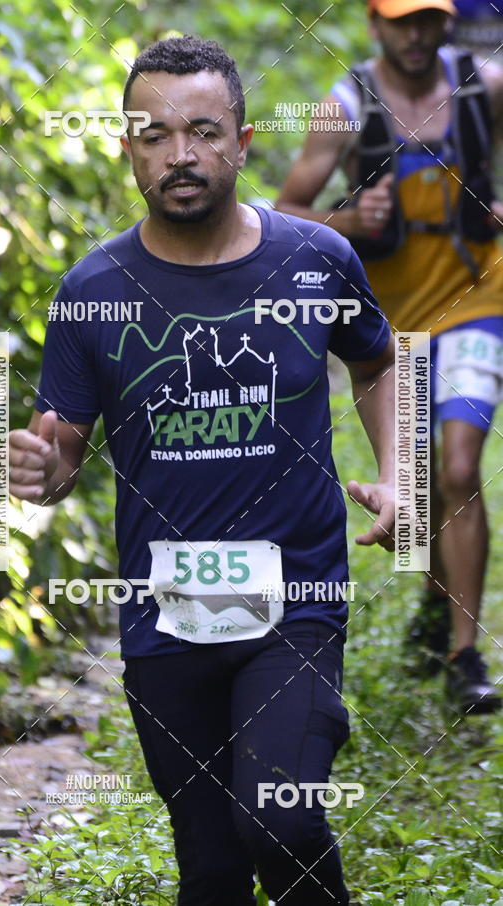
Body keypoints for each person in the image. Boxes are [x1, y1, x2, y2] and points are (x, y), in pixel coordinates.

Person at [10, 35, 395, 906]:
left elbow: (378, 361)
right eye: (154, 135)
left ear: (245, 142)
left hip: (294, 599)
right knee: (213, 871)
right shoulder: (92, 289)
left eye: (204, 131)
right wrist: (41, 467)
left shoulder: (314, 259)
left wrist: (399, 470)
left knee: (282, 817)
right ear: (127, 146)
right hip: (165, 617)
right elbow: (62, 442)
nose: (180, 155)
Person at [277, 0, 503, 715]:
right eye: (402, 22)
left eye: (429, 21)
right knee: (422, 476)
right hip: (393, 330)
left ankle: (466, 658)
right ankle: (438, 607)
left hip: (477, 299)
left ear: (445, 24)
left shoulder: (485, 85)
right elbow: (285, 213)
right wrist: (348, 217)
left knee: (460, 466)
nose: (416, 36)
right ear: (376, 25)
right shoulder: (344, 108)